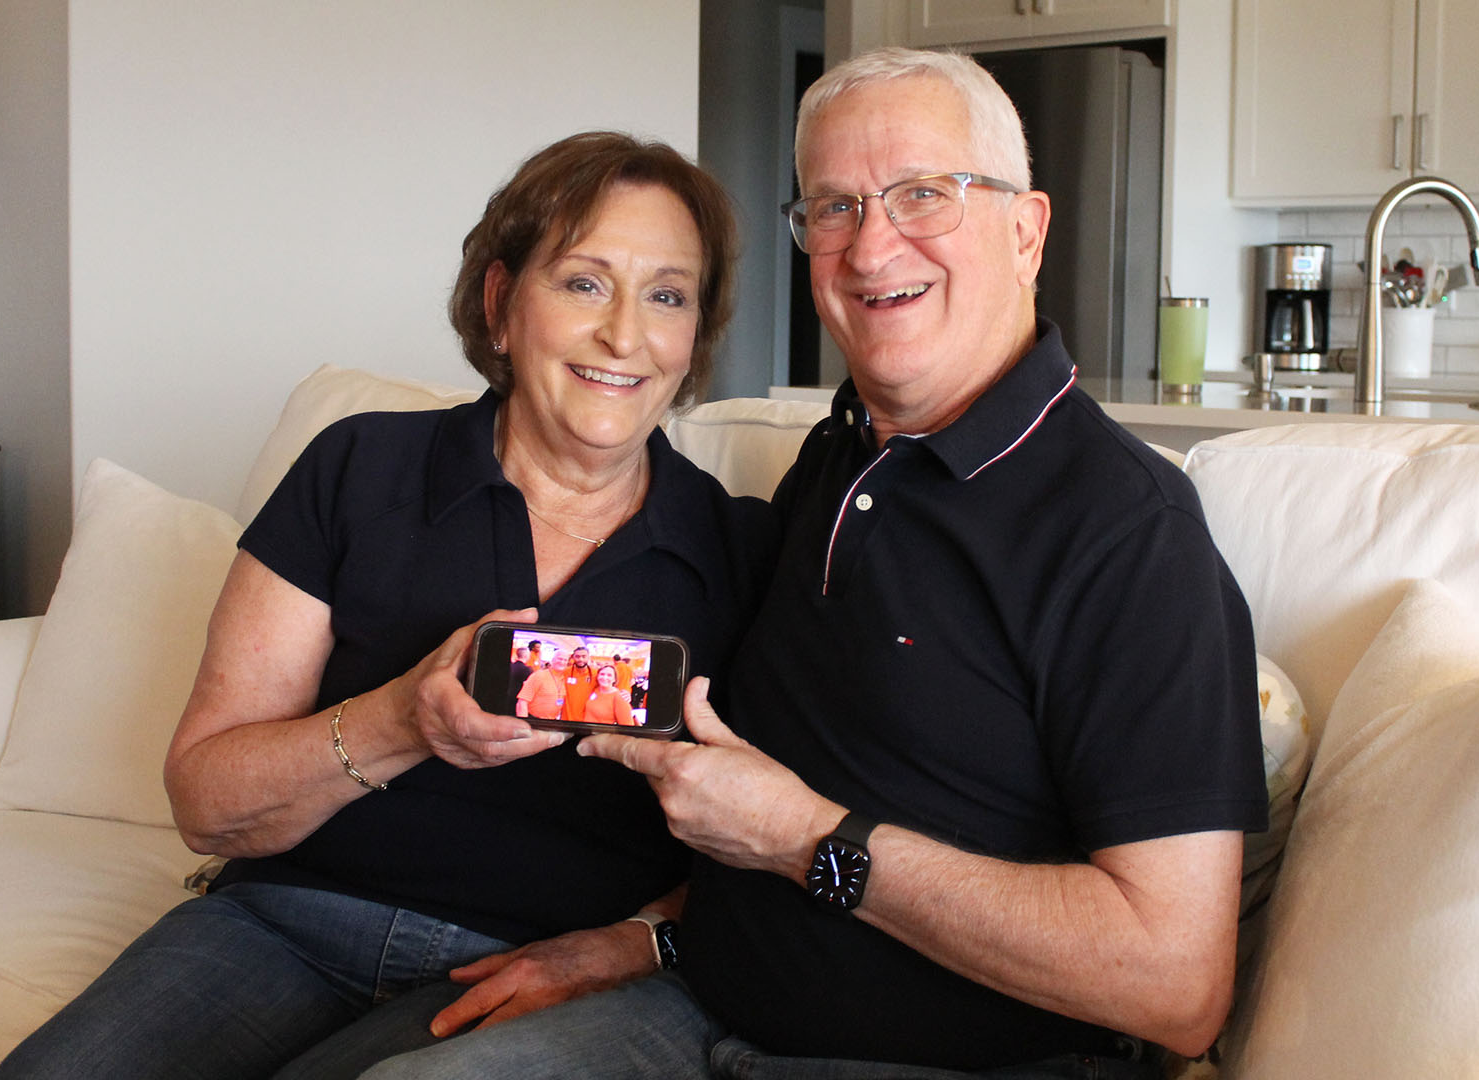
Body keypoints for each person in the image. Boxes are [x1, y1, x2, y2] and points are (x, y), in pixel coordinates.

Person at [360, 47, 1265, 1080]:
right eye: (832, 208)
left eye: (923, 195)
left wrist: (806, 840)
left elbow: (1176, 986)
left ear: (1026, 231)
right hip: (697, 1005)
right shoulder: (837, 459)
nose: (872, 247)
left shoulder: (1126, 530)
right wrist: (642, 937)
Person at [0, 130, 772, 1080]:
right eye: (582, 281)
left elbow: (771, 833)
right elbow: (204, 800)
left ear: (695, 334)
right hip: (282, 925)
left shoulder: (741, 549)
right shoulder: (362, 467)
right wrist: (405, 719)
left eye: (667, 295)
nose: (625, 334)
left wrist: (640, 943)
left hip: (533, 963)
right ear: (500, 303)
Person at [515, 646, 568, 720]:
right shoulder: (539, 675)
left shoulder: (565, 679)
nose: (562, 662)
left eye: (565, 660)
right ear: (552, 660)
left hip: (552, 722)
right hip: (534, 720)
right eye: (560, 659)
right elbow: (522, 702)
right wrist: (523, 724)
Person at [562, 645, 597, 722]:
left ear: (588, 658)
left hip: (586, 719)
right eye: (577, 656)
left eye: (584, 656)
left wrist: (624, 692)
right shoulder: (565, 672)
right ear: (573, 657)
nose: (580, 659)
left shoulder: (595, 674)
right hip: (566, 717)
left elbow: (607, 688)